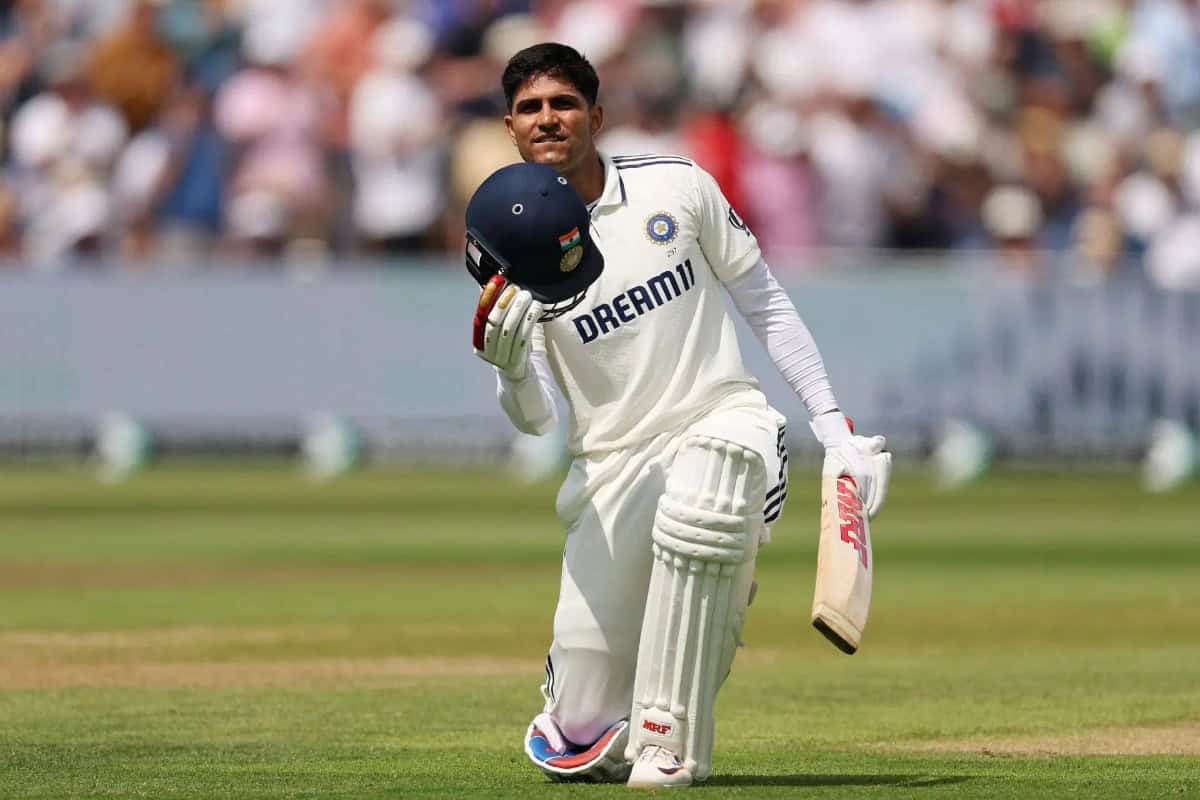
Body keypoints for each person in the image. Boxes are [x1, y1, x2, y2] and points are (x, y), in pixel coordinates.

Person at [467, 42, 892, 788]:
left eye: (564, 103)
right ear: (510, 126)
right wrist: (510, 372)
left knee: (707, 500)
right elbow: (536, 421)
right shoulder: (505, 241)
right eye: (530, 108)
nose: (548, 119)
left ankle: (670, 744)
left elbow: (764, 302)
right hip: (610, 464)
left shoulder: (674, 185)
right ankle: (664, 651)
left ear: (596, 115)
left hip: (720, 417)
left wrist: (834, 429)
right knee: (583, 725)